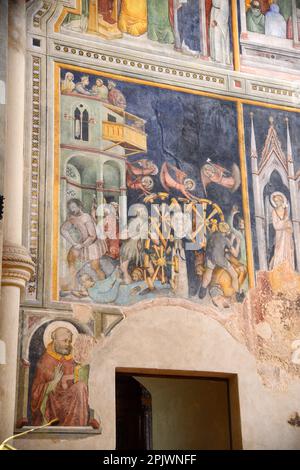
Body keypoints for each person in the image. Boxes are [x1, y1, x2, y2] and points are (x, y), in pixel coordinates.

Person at [31, 326, 89, 426]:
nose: (68, 344)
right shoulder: (45, 361)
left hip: (70, 398)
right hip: (53, 403)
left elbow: (80, 377)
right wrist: (52, 384)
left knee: (81, 386)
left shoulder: (74, 358)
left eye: (69, 341)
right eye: (64, 341)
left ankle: (78, 426)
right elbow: (35, 392)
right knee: (51, 395)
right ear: (55, 340)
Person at [60, 199, 107, 289]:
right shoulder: (72, 218)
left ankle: (104, 286)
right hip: (82, 243)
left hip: (92, 244)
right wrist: (73, 242)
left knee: (95, 267)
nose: (72, 210)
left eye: (73, 207)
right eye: (70, 208)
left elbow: (92, 236)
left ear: (79, 207)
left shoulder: (86, 217)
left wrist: (81, 245)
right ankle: (73, 284)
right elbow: (63, 229)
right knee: (70, 258)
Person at [199, 222, 239, 298]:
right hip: (220, 259)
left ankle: (202, 291)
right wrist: (236, 243)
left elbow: (218, 245)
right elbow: (235, 254)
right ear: (226, 232)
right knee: (234, 275)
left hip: (210, 257)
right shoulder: (225, 239)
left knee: (208, 273)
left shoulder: (211, 236)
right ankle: (237, 294)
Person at [269, 192, 295, 270]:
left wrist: (288, 225)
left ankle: (289, 268)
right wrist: (285, 223)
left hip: (287, 235)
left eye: (278, 201)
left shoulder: (286, 211)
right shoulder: (274, 212)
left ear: (282, 200)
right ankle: (278, 269)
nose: (277, 203)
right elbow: (276, 226)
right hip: (279, 236)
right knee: (279, 251)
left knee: (288, 251)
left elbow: (290, 225)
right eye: (275, 201)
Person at [209, 0, 231, 66]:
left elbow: (224, 11)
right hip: (214, 12)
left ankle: (220, 59)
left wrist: (216, 21)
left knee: (218, 36)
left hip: (219, 17)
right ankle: (215, 57)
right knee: (213, 35)